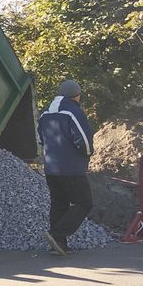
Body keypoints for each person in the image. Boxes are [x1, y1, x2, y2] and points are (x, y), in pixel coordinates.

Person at [38, 79, 94, 256]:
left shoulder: (45, 113)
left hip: (51, 167)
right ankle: (57, 234)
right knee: (84, 203)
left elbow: (41, 139)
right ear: (76, 96)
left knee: (59, 203)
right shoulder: (73, 112)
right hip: (71, 167)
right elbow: (84, 141)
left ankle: (58, 244)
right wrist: (87, 153)